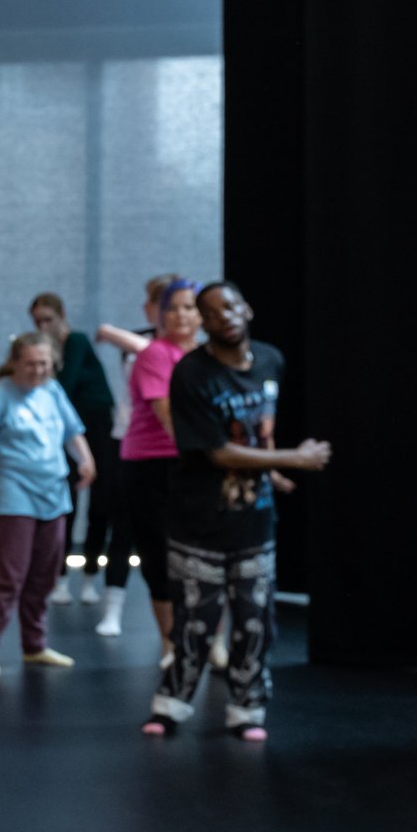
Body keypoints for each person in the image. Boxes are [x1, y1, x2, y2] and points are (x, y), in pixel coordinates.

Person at [143, 282, 329, 741]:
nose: (224, 315)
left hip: (254, 521)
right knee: (194, 623)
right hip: (198, 523)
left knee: (255, 620)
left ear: (246, 308)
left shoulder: (270, 360)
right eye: (212, 312)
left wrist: (270, 474)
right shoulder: (192, 374)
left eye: (230, 306)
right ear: (204, 325)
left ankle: (247, 708)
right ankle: (172, 705)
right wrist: (293, 460)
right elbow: (217, 452)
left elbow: (255, 435)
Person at [0, 331, 95, 676]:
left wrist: (86, 460)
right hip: (14, 494)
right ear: (15, 362)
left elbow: (73, 431)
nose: (39, 370)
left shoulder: (52, 390)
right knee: (9, 575)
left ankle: (35, 645)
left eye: (45, 363)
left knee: (45, 573)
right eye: (31, 363)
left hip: (54, 493)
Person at [99, 277, 202, 643]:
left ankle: (207, 641)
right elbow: (169, 417)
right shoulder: (154, 353)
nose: (180, 315)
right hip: (150, 464)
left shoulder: (202, 357)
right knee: (148, 549)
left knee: (199, 555)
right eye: (170, 308)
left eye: (188, 307)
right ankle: (169, 644)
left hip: (188, 462)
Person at [29, 292, 118, 605]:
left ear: (61, 315)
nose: (43, 326)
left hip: (97, 425)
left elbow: (60, 389)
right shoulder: (47, 351)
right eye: (38, 321)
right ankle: (61, 578)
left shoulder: (76, 341)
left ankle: (91, 576)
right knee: (67, 504)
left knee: (101, 505)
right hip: (69, 427)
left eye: (48, 319)